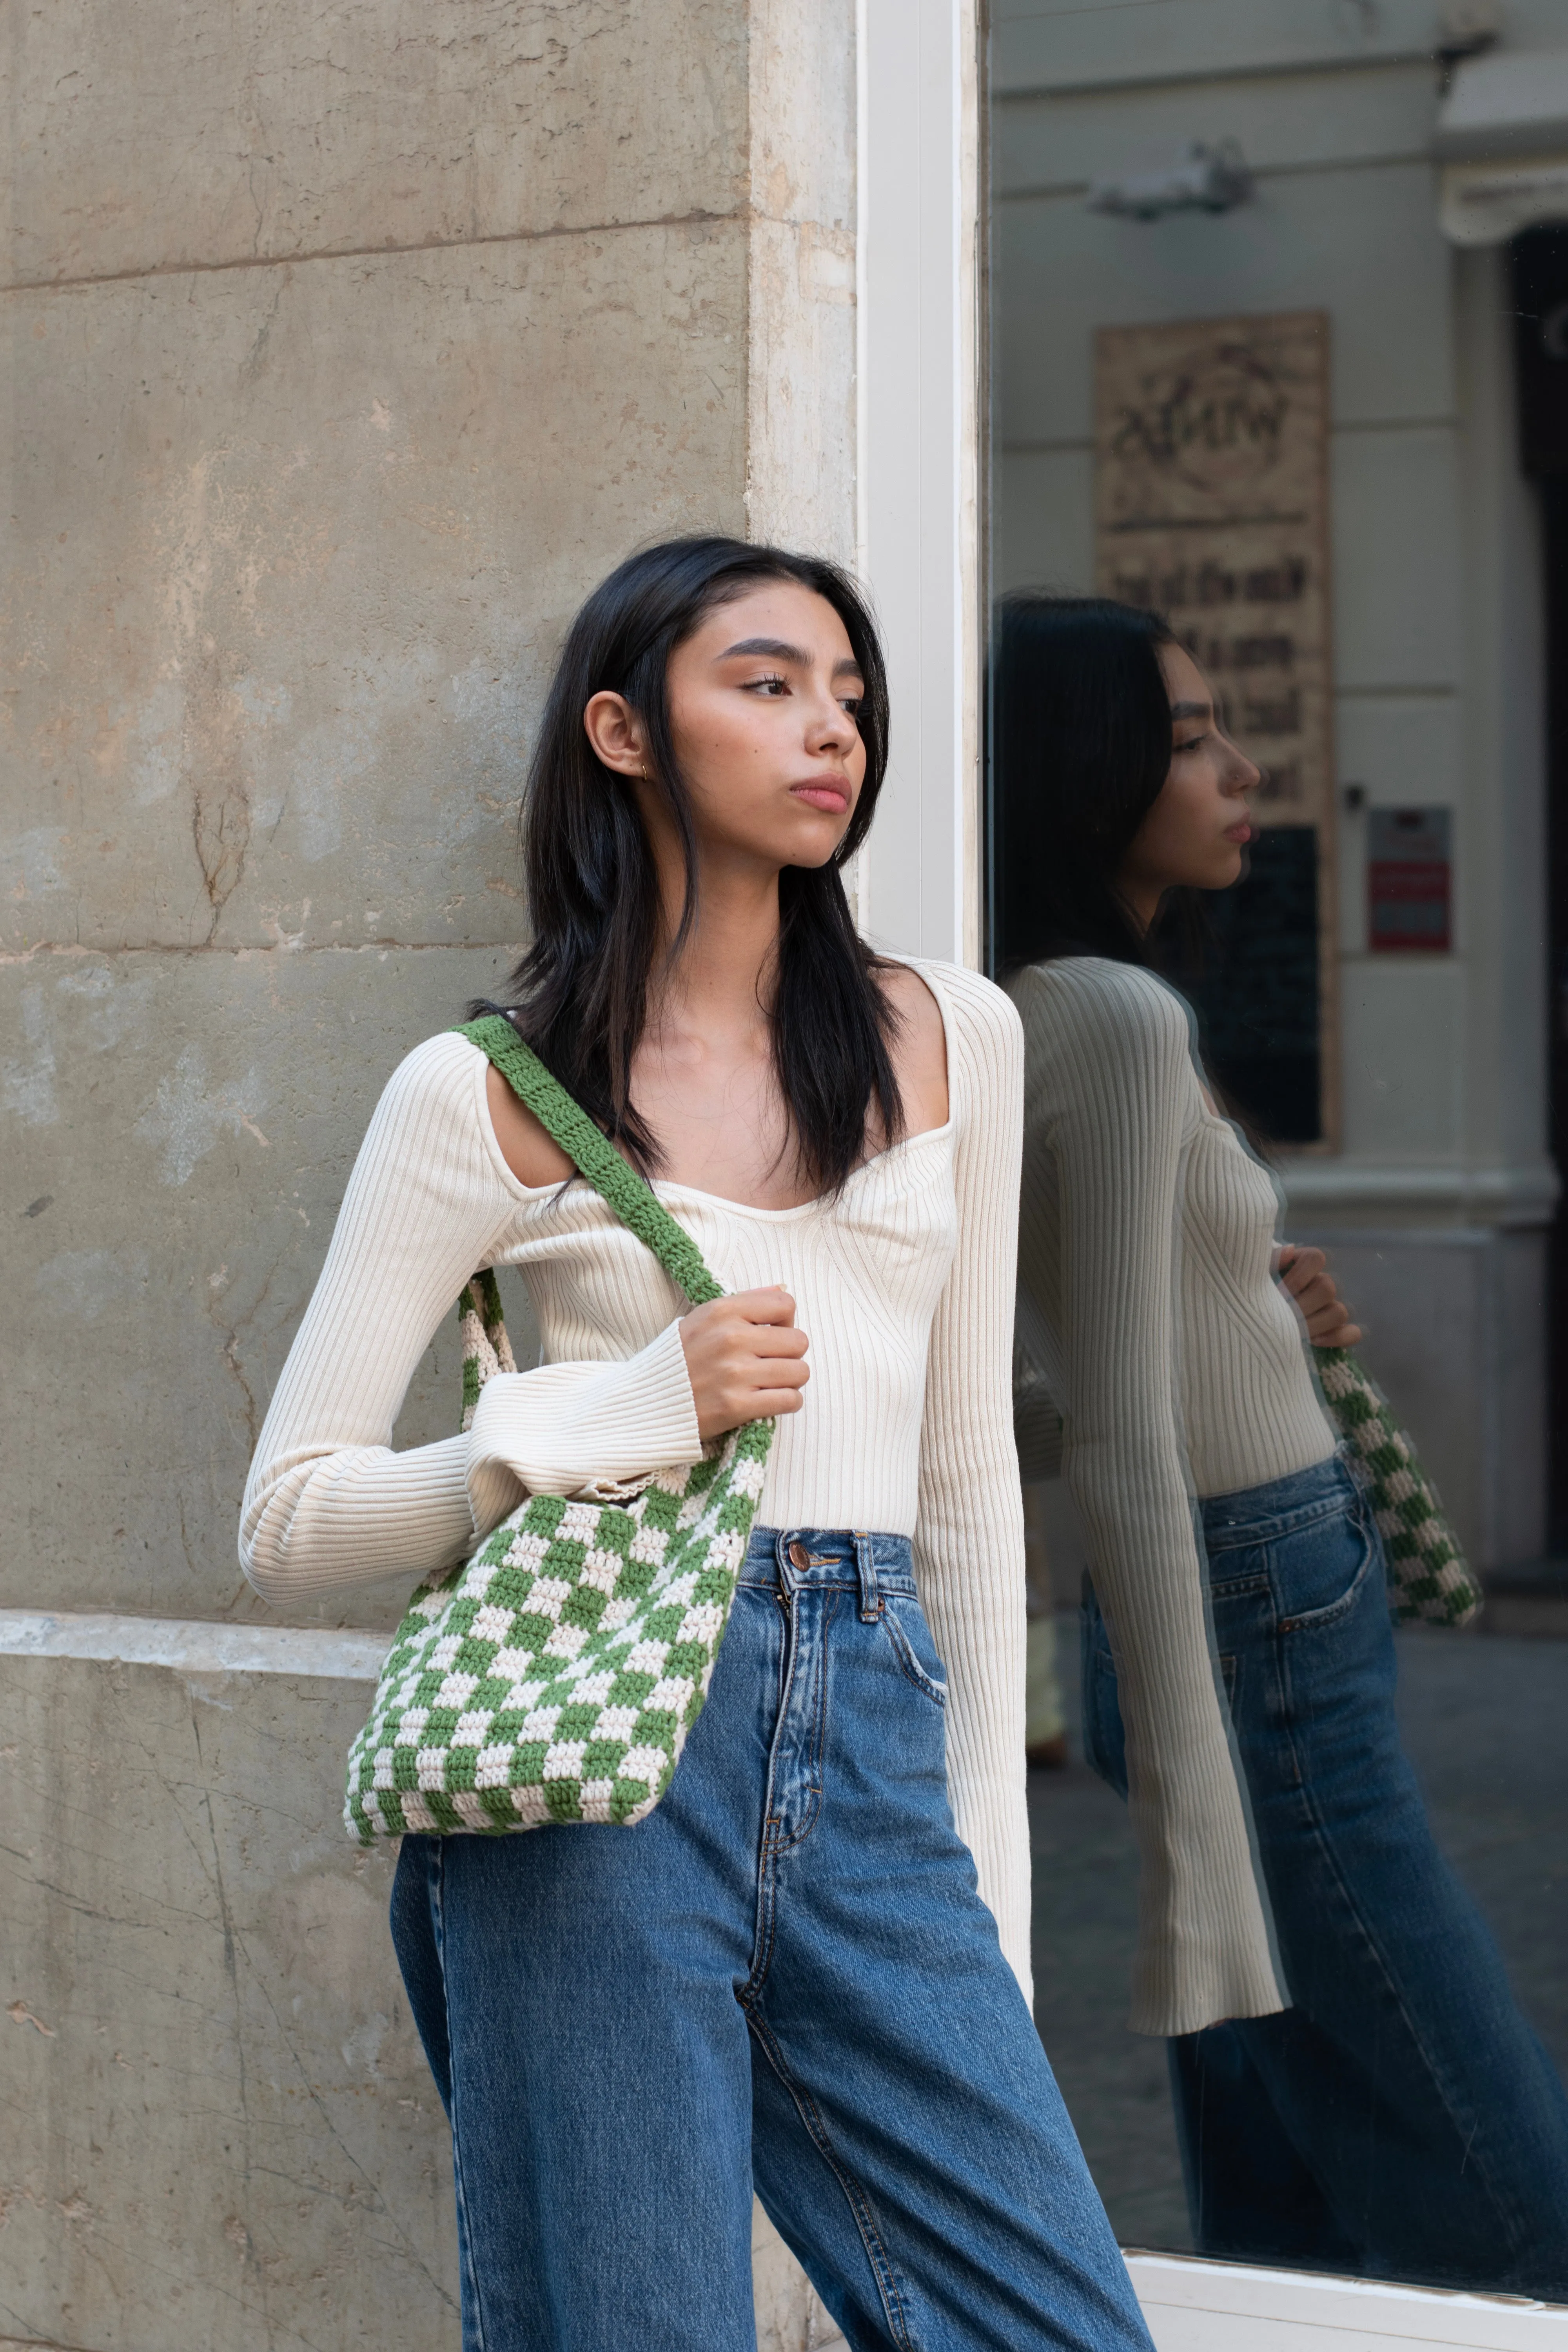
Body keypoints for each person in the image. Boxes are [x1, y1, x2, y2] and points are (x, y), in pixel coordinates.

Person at [240, 541, 1154, 2352]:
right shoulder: (484, 1090)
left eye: (849, 696)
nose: (830, 729)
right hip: (594, 1779)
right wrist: (598, 1424)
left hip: (873, 1744)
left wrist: (993, 1912)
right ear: (623, 730)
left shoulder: (950, 1036)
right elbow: (286, 1521)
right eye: (766, 683)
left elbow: (965, 1484)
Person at [996, 592, 1568, 2297]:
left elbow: (1068, 1361)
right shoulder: (1106, 1016)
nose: (1243, 769)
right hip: (1238, 1588)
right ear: (1081, 769)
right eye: (1185, 736)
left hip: (1209, 1584)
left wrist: (1242, 1304)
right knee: (1472, 2141)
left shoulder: (1046, 1005)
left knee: (1279, 2140)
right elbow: (1086, 1408)